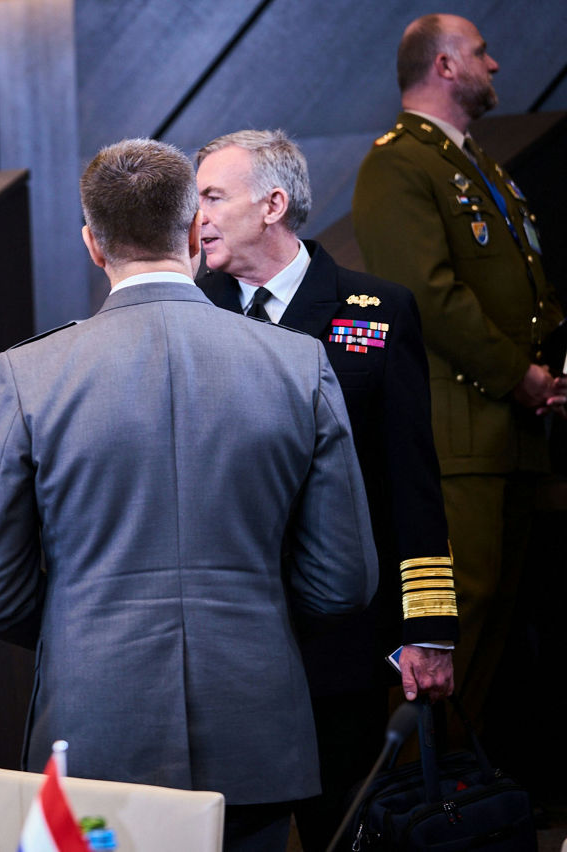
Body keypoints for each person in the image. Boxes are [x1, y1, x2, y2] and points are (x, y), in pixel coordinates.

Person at [0, 139, 377, 852]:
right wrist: (256, 614)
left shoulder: (32, 373)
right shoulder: (298, 363)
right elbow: (344, 578)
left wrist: (77, 623)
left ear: (93, 244)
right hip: (254, 719)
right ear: (191, 233)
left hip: (93, 727)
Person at [195, 129, 456, 848]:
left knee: (347, 827)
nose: (199, 217)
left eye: (214, 197)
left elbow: (412, 485)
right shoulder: (190, 312)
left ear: (273, 204)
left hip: (342, 641)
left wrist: (428, 631)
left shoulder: (376, 308)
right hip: (225, 641)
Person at [352, 14, 563, 728]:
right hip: (460, 435)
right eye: (480, 52)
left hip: (509, 434)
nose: (495, 64)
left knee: (492, 630)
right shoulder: (398, 163)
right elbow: (427, 297)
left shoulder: (475, 163)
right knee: (450, 632)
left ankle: (451, 810)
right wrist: (520, 374)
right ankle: (398, 808)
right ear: (444, 65)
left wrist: (545, 368)